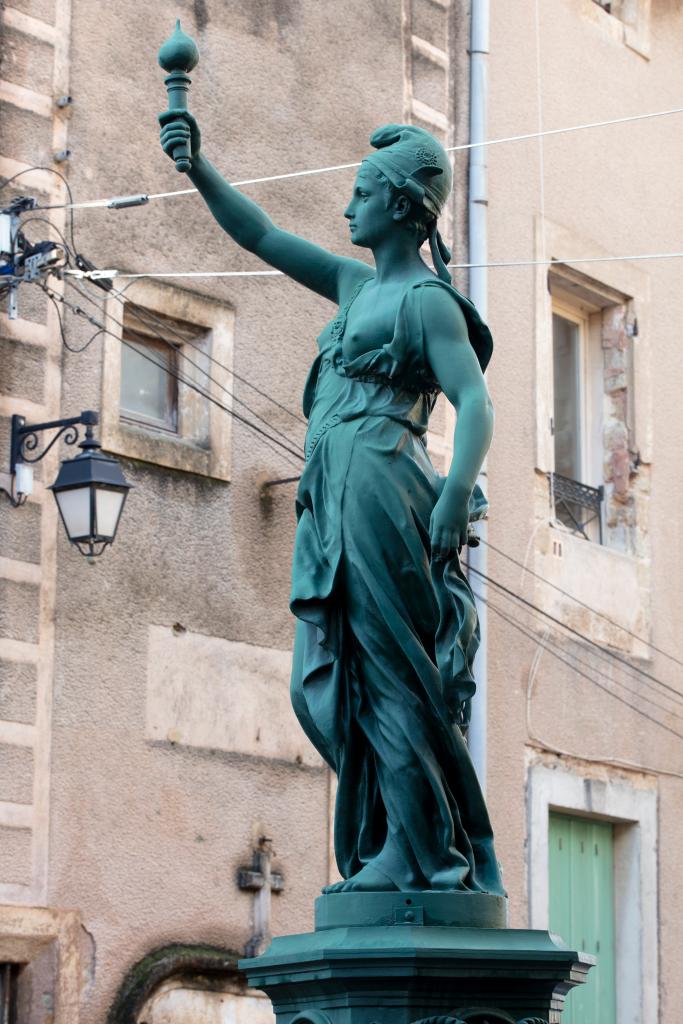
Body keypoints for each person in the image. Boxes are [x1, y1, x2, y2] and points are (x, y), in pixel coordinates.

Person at [159, 112, 504, 896]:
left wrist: (452, 498)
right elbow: (261, 236)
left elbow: (474, 403)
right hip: (332, 500)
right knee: (333, 673)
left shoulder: (426, 303)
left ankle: (416, 855)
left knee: (390, 674)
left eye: (360, 193)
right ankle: (392, 837)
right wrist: (197, 166)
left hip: (384, 486)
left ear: (400, 206)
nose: (347, 208)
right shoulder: (354, 286)